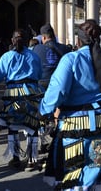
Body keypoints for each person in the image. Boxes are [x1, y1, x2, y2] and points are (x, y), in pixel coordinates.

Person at [39, 20, 101, 190]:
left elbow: (58, 91)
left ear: (78, 41)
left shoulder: (70, 60)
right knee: (96, 168)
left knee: (74, 172)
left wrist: (43, 110)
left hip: (76, 127)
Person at [0, 29, 44, 169]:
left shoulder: (7, 57)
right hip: (31, 94)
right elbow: (39, 74)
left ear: (12, 40)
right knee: (32, 124)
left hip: (13, 96)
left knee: (13, 125)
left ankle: (15, 158)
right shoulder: (34, 56)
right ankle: (32, 159)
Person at [32, 23, 71, 154]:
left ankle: (43, 140)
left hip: (41, 83)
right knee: (58, 107)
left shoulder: (37, 49)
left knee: (42, 110)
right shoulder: (65, 48)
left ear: (43, 37)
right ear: (53, 36)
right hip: (59, 83)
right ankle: (58, 134)